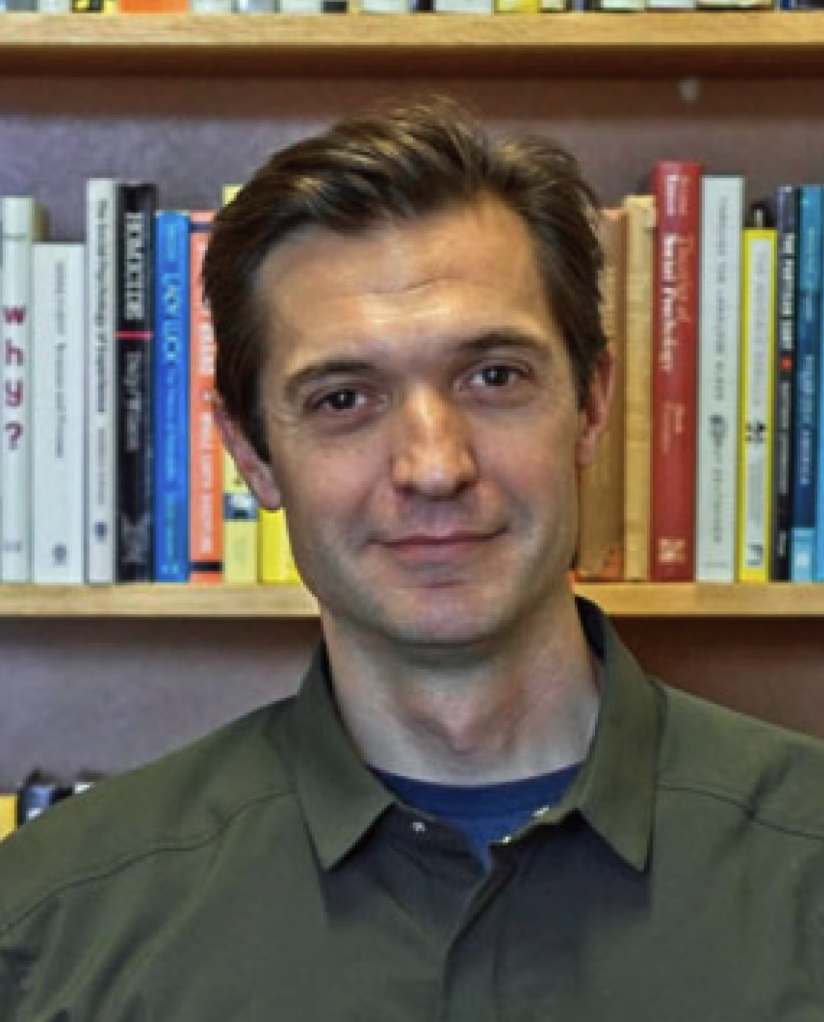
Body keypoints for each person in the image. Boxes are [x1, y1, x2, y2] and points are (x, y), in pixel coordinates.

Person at [1, 96, 823, 1021]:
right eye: (343, 399)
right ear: (252, 457)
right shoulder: (46, 930)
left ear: (591, 407)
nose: (434, 466)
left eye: (494, 377)